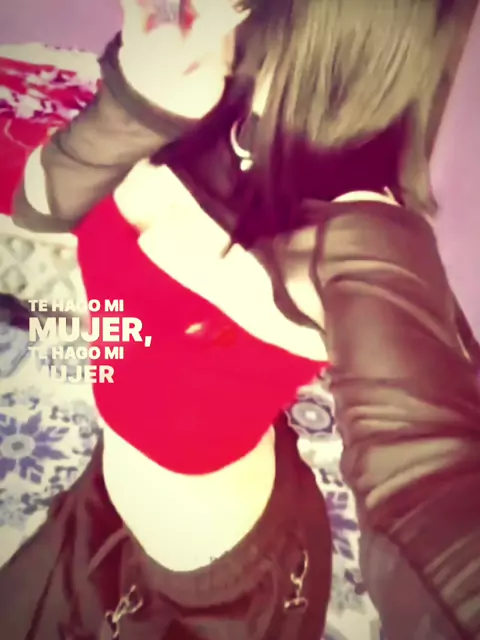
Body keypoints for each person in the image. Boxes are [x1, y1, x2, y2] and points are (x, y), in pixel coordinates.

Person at [2, 0, 480, 638]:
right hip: (104, 484)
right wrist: (142, 100)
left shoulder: (365, 237)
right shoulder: (197, 82)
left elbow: (428, 495)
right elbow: (36, 209)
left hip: (213, 564)